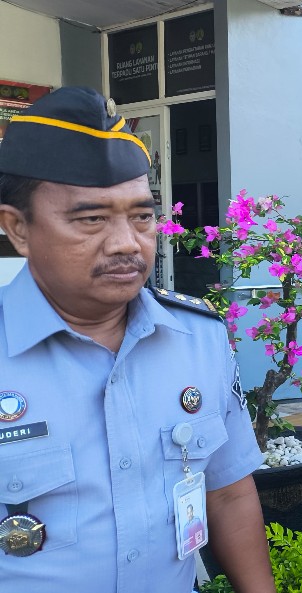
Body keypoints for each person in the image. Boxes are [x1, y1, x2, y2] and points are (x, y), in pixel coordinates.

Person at [0, 87, 273, 592]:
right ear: (18, 228)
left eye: (142, 217)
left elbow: (229, 492)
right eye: (91, 219)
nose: (127, 243)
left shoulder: (199, 338)